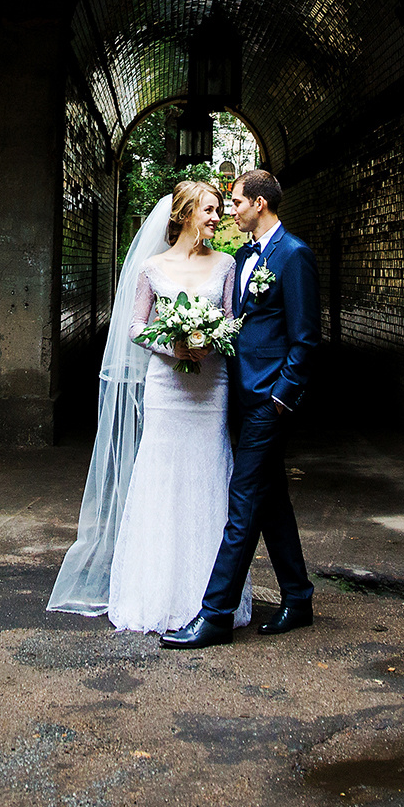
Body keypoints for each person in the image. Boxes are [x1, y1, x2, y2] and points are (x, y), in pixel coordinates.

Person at [46, 179, 253, 634]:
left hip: (211, 386)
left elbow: (232, 321)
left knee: (208, 471)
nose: (217, 217)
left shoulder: (226, 264)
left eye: (220, 208)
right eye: (209, 209)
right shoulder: (152, 267)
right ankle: (154, 592)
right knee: (162, 474)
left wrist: (212, 341)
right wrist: (172, 346)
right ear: (185, 214)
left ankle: (209, 597)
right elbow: (136, 327)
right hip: (165, 387)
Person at [160, 168, 318, 648]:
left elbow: (305, 338)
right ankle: (298, 597)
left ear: (259, 204)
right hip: (241, 396)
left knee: (244, 500)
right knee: (271, 499)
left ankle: (215, 615)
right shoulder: (246, 256)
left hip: (269, 401)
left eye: (236, 202)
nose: (231, 210)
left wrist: (281, 398)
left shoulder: (293, 255)